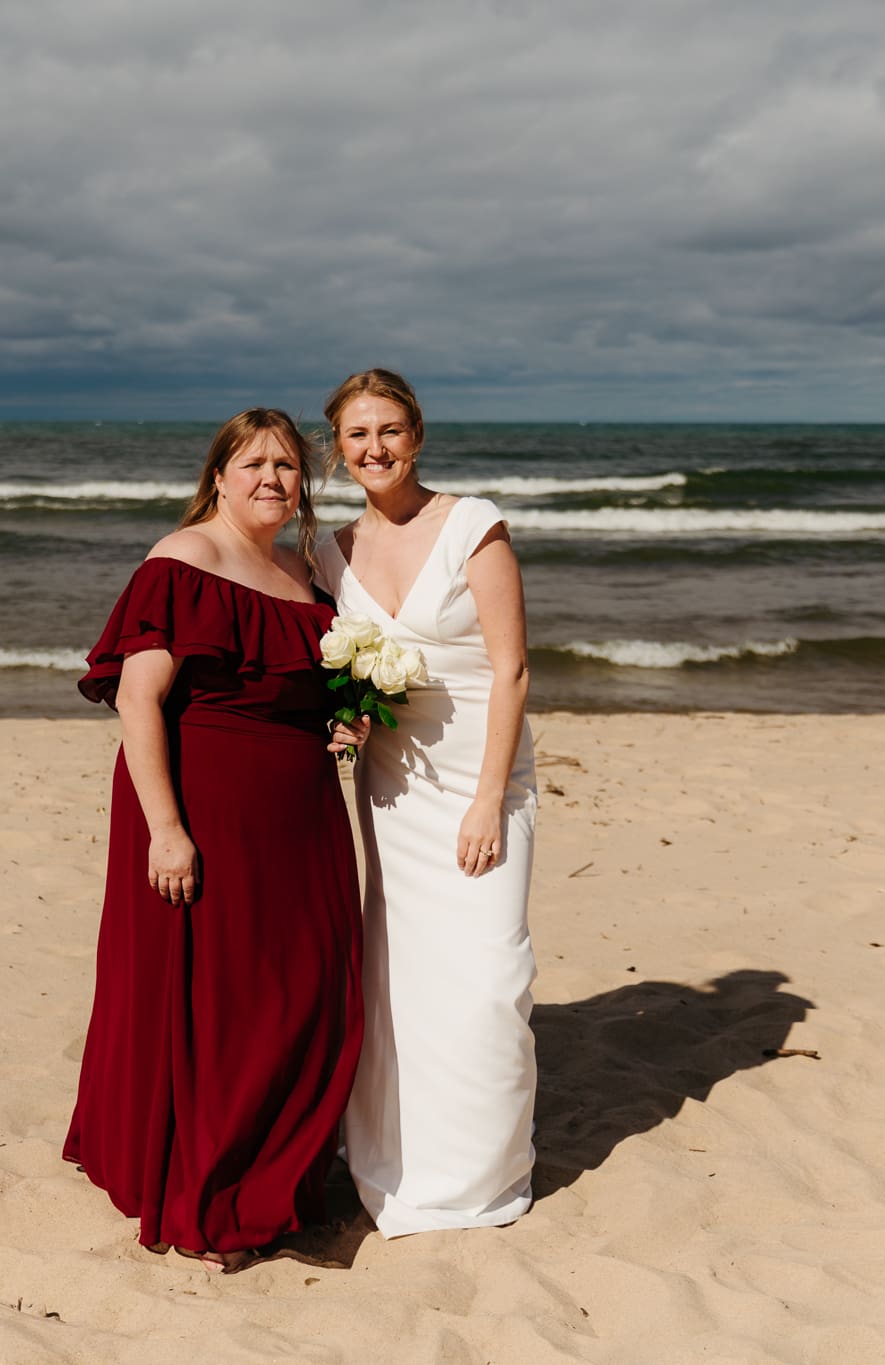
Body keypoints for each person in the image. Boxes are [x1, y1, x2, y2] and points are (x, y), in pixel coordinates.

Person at [63, 408, 363, 1273]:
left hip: (301, 815)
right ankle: (214, 1191)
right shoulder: (181, 560)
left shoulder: (303, 574)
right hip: (200, 811)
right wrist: (166, 830)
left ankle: (282, 1170)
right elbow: (136, 700)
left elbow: (311, 687)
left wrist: (344, 721)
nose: (273, 478)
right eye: (255, 464)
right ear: (220, 476)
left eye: (289, 467)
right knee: (220, 1000)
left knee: (306, 986)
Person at [314, 368, 540, 1238]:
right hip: (394, 789)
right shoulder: (331, 550)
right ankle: (394, 1159)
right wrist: (346, 724)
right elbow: (339, 670)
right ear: (338, 448)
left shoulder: (474, 526)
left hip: (481, 781)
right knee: (403, 977)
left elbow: (512, 667)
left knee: (489, 977)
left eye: (391, 430)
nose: (375, 448)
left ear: (418, 435)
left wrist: (489, 799)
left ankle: (482, 1176)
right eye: (357, 435)